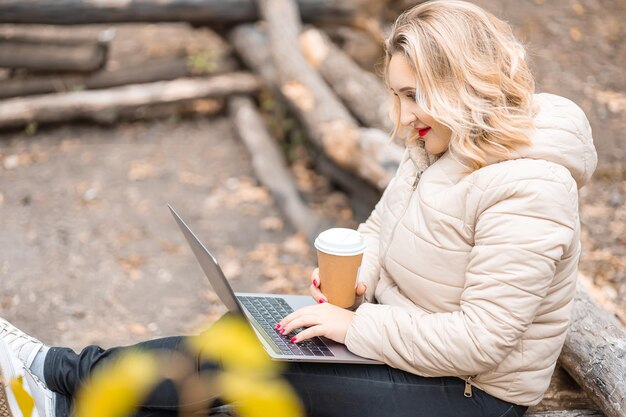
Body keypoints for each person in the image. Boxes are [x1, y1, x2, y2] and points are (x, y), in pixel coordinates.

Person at [0, 1, 597, 417]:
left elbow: (481, 342)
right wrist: (359, 275)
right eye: (397, 94)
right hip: (411, 348)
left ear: (461, 85)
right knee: (244, 338)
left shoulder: (531, 187)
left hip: (469, 395)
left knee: (254, 366)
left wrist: (352, 327)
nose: (404, 114)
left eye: (416, 95)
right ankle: (66, 399)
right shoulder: (438, 143)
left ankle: (56, 372)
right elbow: (380, 231)